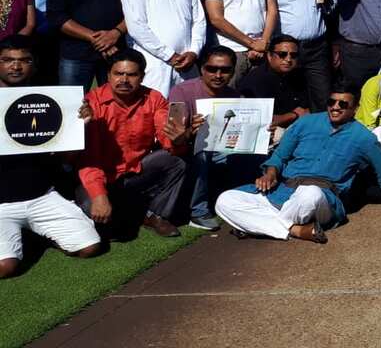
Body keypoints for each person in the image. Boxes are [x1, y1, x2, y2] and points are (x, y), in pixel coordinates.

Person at [214, 89, 381, 243]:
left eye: (343, 104)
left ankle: (256, 225)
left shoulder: (365, 138)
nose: (335, 107)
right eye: (331, 102)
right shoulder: (305, 122)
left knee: (309, 193)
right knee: (225, 200)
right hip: (282, 190)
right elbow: (280, 155)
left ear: (355, 109)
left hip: (322, 197)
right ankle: (295, 230)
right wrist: (270, 173)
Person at [0, 37, 102, 278]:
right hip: (1, 203)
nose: (16, 66)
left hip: (41, 196)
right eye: (8, 60)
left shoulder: (50, 99)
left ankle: (38, 233)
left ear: (34, 65)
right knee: (5, 268)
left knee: (89, 247)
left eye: (24, 60)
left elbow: (65, 159)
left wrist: (80, 126)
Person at [77, 50, 197, 238]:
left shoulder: (154, 98)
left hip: (137, 169)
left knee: (177, 161)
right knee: (96, 213)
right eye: (118, 74)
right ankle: (129, 209)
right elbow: (89, 159)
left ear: (142, 77)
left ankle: (154, 215)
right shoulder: (92, 103)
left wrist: (178, 139)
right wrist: (99, 195)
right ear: (108, 75)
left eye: (132, 75)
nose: (124, 80)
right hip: (102, 174)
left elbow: (167, 138)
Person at [167, 45, 241, 231]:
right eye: (212, 69)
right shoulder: (180, 91)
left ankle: (242, 199)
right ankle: (198, 212)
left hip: (222, 148)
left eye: (225, 70)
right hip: (187, 150)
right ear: (202, 69)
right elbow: (174, 138)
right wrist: (190, 130)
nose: (218, 75)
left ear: (233, 71)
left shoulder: (234, 95)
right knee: (202, 152)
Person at [266, 0, 331, 112]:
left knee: (322, 96)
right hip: (287, 50)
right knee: (290, 97)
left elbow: (330, 9)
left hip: (316, 48)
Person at [238, 34, 310, 141]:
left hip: (295, 127)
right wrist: (293, 115)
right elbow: (260, 120)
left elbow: (306, 109)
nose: (288, 59)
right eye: (282, 54)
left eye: (293, 55)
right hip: (264, 134)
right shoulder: (256, 80)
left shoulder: (299, 75)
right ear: (269, 56)